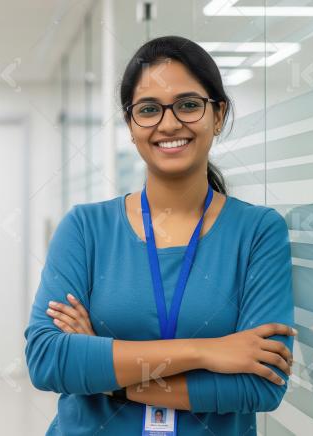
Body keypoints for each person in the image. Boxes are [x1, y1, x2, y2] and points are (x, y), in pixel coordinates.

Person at [24, 35, 296, 435]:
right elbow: (49, 360)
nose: (169, 124)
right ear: (131, 125)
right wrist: (208, 350)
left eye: (188, 105)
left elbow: (258, 384)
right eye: (149, 109)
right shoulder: (85, 228)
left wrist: (105, 370)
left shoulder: (257, 233)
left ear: (217, 115)